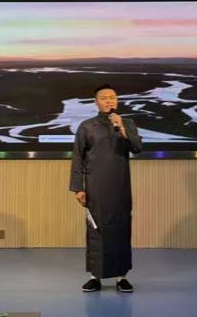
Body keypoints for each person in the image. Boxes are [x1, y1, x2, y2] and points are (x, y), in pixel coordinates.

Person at [70, 83, 143, 293]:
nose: (109, 101)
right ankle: (95, 277)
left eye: (112, 97)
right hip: (95, 188)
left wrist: (122, 129)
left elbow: (137, 148)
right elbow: (77, 158)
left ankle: (122, 277)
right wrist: (78, 188)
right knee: (97, 231)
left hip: (120, 187)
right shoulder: (87, 126)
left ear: (117, 100)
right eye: (104, 98)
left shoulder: (127, 123)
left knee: (121, 229)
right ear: (96, 102)